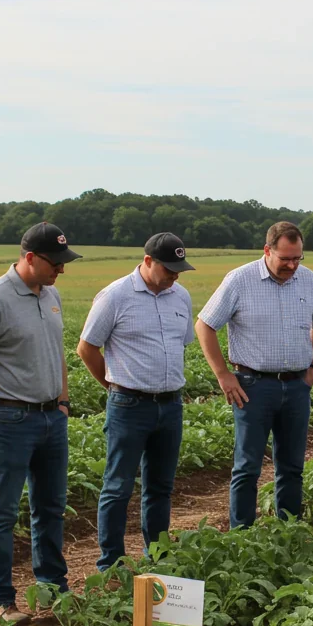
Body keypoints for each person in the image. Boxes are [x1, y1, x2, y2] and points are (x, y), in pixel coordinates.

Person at [0, 222, 80, 624]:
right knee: (2, 512)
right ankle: (0, 601)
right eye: (55, 262)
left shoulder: (51, 295)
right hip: (10, 417)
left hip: (51, 417)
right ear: (29, 257)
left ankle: (52, 590)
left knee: (50, 507)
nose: (60, 270)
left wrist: (62, 400)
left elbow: (57, 351)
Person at [196, 221, 313, 528]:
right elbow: (204, 325)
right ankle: (242, 535)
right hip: (252, 386)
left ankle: (289, 530)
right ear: (267, 251)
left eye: (298, 258)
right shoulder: (239, 280)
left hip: (296, 386)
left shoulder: (308, 280)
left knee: (292, 467)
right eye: (286, 259)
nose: (292, 265)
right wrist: (223, 375)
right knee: (247, 468)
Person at [78, 232, 196, 570]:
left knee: (160, 487)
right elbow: (87, 348)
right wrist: (114, 385)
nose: (175, 275)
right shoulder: (115, 296)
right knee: (118, 487)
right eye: (169, 268)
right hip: (129, 405)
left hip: (170, 405)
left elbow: (182, 343)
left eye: (179, 269)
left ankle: (157, 556)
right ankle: (111, 563)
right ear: (147, 262)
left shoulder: (181, 297)